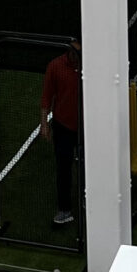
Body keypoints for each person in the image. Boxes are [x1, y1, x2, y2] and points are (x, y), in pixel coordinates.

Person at [39, 43, 82, 225]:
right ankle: (64, 210)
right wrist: (44, 125)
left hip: (86, 126)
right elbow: (46, 97)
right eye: (74, 52)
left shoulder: (90, 66)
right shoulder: (55, 66)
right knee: (63, 169)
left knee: (89, 166)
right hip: (63, 126)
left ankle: (90, 201)